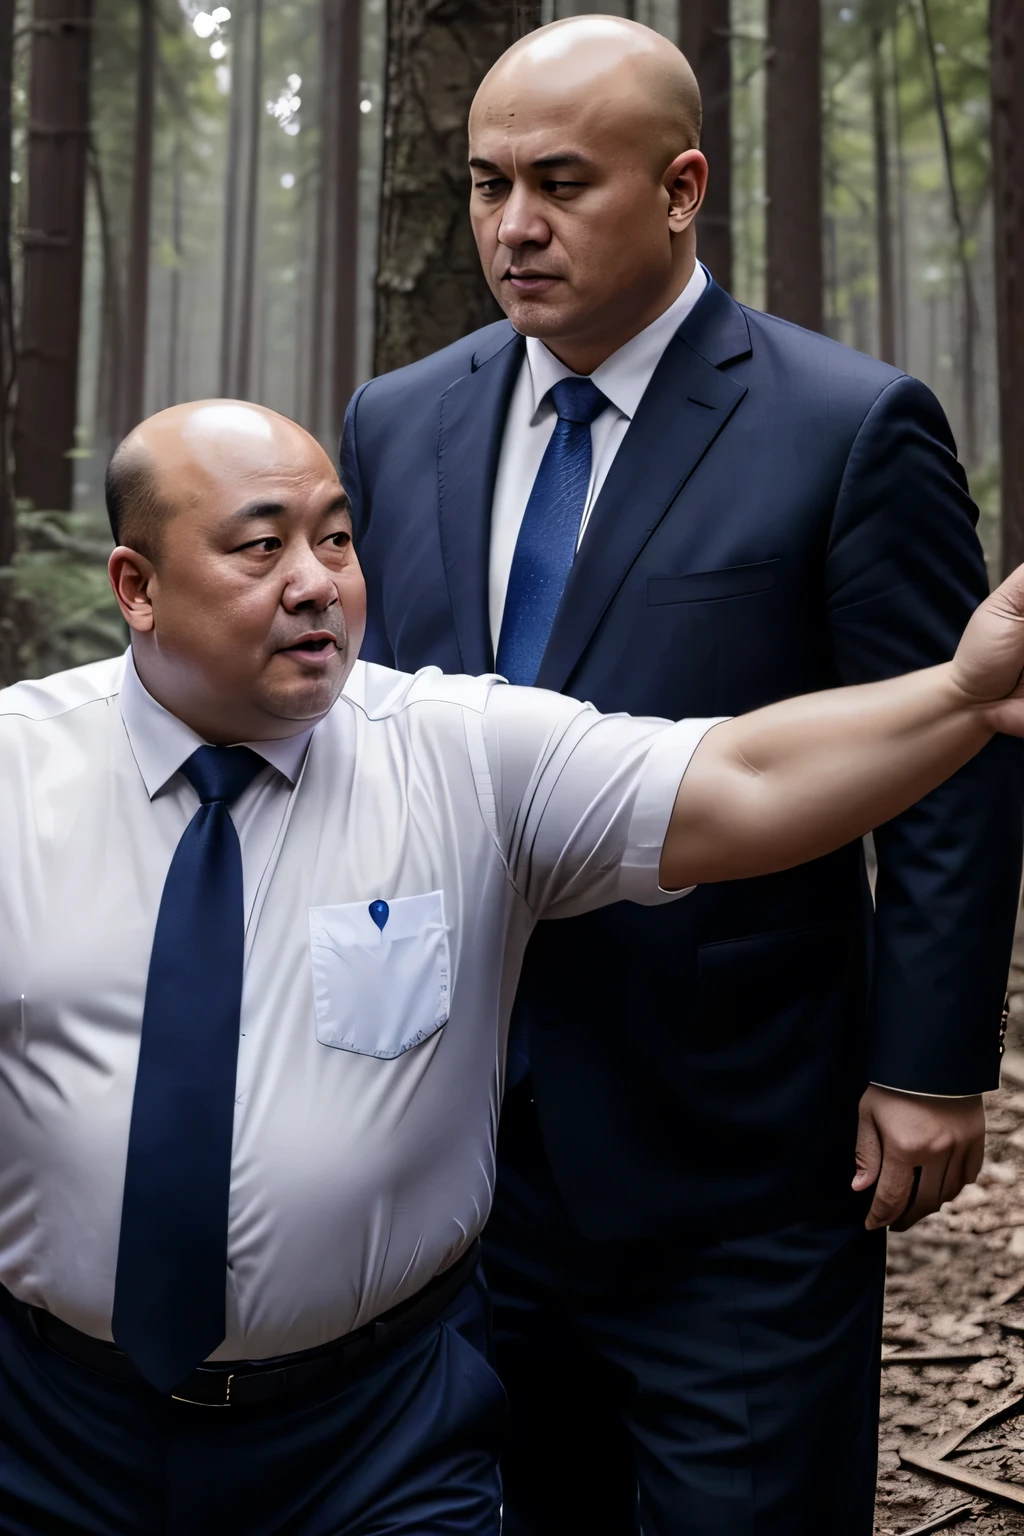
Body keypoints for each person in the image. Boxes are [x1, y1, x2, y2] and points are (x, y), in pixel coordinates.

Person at [0, 401, 1022, 1536]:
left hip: (381, 1438)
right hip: (51, 1426)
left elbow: (746, 779)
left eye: (337, 540)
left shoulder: (460, 754)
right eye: (260, 546)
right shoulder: (16, 775)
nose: (316, 583)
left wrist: (962, 695)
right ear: (136, 586)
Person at [340, 15, 1024, 1535]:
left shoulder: (846, 428)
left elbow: (957, 742)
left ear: (682, 186)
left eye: (562, 183)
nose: (514, 226)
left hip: (738, 1159)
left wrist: (929, 1062)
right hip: (450, 1153)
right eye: (487, 183)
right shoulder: (397, 423)